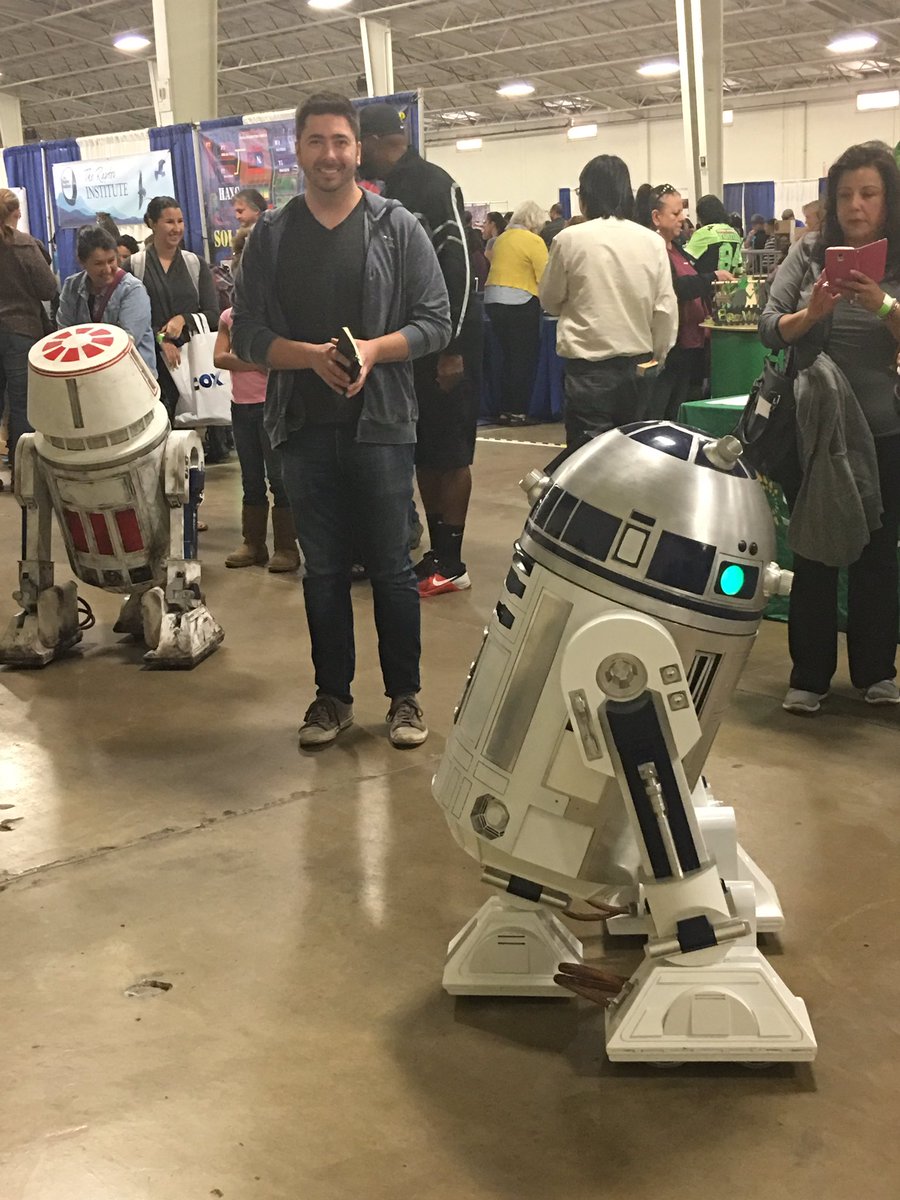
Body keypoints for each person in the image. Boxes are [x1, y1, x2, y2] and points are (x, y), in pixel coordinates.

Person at [232, 91, 451, 750]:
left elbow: (436, 321)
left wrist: (372, 353)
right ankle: (332, 699)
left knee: (390, 567)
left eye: (341, 142)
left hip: (382, 427)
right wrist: (309, 358)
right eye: (317, 142)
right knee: (322, 572)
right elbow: (247, 334)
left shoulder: (397, 226)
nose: (330, 155)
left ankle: (405, 698)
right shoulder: (271, 237)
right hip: (301, 429)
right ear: (297, 150)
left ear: (358, 149)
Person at [759, 140, 900, 714]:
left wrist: (883, 308)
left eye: (868, 193)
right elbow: (770, 327)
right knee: (814, 550)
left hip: (885, 429)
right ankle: (809, 676)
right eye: (844, 195)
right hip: (814, 431)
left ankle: (875, 672)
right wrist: (811, 314)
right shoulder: (809, 252)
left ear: (889, 200)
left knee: (878, 552)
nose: (856, 205)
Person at [359, 100, 482, 599]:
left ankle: (452, 563)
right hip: (412, 346)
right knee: (427, 454)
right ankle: (437, 553)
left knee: (450, 456)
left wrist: (453, 347)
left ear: (369, 143)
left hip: (445, 346)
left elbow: (465, 269)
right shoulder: (393, 190)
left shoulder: (435, 184)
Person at [539, 156, 677, 453]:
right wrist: (659, 356)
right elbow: (665, 309)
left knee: (588, 464)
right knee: (635, 456)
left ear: (585, 196)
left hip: (588, 373)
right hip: (640, 368)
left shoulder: (569, 240)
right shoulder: (651, 242)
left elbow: (549, 301)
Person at [214, 228, 300, 573]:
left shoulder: (276, 315)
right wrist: (259, 359)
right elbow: (220, 358)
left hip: (272, 404)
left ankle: (286, 546)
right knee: (250, 477)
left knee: (279, 478)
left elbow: (277, 358)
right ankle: (253, 542)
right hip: (242, 406)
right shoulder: (229, 317)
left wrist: (253, 356)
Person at [634, 183, 735, 420]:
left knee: (679, 412)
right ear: (656, 217)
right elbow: (674, 288)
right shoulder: (652, 251)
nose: (683, 218)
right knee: (659, 413)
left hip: (690, 347)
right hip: (668, 350)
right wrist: (712, 277)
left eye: (683, 212)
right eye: (676, 213)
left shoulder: (679, 249)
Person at [127, 196, 220, 420]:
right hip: (151, 364)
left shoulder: (195, 264)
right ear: (152, 223)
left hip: (195, 360)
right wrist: (162, 340)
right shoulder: (134, 266)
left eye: (180, 221)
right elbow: (129, 321)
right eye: (169, 222)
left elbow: (213, 315)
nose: (176, 228)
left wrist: (183, 319)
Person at [0, 187, 59, 479]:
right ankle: (23, 472)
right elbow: (48, 288)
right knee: (23, 403)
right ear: (13, 214)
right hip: (21, 331)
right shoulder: (24, 245)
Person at [484, 200, 548, 425]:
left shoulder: (500, 239)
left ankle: (502, 409)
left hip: (492, 301)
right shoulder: (534, 241)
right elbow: (545, 278)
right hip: (520, 302)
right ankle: (517, 411)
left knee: (505, 358)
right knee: (522, 359)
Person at [58, 227, 156, 374]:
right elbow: (64, 335)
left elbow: (125, 343)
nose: (108, 269)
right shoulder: (71, 287)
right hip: (89, 377)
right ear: (81, 262)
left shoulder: (132, 289)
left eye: (111, 260)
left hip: (131, 377)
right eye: (98, 263)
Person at [682, 194, 745, 275]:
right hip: (729, 284)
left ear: (702, 214)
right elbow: (738, 268)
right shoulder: (734, 233)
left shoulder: (704, 233)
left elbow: (685, 262)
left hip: (705, 284)